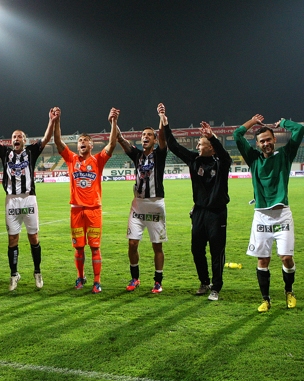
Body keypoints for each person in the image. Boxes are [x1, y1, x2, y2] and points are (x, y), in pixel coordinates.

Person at [0, 108, 57, 290]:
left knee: (33, 237)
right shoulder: (5, 153)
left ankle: (37, 271)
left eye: (19, 136)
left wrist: (51, 121)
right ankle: (14, 275)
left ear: (24, 140)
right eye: (14, 137)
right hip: (11, 200)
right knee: (12, 239)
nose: (16, 139)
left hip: (29, 199)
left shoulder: (31, 152)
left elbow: (46, 138)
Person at [160, 104, 231, 301]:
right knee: (196, 249)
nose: (197, 147)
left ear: (210, 147)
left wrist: (212, 136)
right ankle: (204, 282)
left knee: (217, 251)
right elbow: (174, 146)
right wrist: (165, 123)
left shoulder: (221, 162)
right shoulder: (194, 160)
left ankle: (216, 287)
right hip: (199, 212)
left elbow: (224, 155)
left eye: (200, 144)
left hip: (217, 213)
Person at [234, 114, 303, 312]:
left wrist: (283, 123)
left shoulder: (286, 154)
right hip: (261, 216)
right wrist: (253, 122)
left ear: (274, 140)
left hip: (282, 215)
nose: (266, 144)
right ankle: (266, 299)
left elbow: (300, 130)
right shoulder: (253, 159)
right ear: (257, 144)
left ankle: (289, 291)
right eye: (262, 141)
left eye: (269, 140)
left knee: (286, 258)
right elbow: (237, 135)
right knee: (263, 260)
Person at [54, 107, 119, 293]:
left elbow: (112, 143)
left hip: (93, 210)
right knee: (79, 247)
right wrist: (57, 120)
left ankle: (97, 281)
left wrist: (113, 122)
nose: (81, 142)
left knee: (95, 248)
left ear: (91, 145)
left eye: (85, 141)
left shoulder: (98, 160)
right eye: (79, 141)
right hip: (76, 209)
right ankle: (80, 277)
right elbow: (58, 141)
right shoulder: (70, 159)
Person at [117, 104, 168, 293]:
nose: (145, 137)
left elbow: (164, 137)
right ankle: (135, 278)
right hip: (137, 205)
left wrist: (162, 116)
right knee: (132, 243)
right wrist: (114, 121)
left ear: (154, 139)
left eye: (149, 135)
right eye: (143, 135)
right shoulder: (137, 155)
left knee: (157, 245)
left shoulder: (160, 154)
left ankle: (158, 281)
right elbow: (121, 139)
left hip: (155, 204)